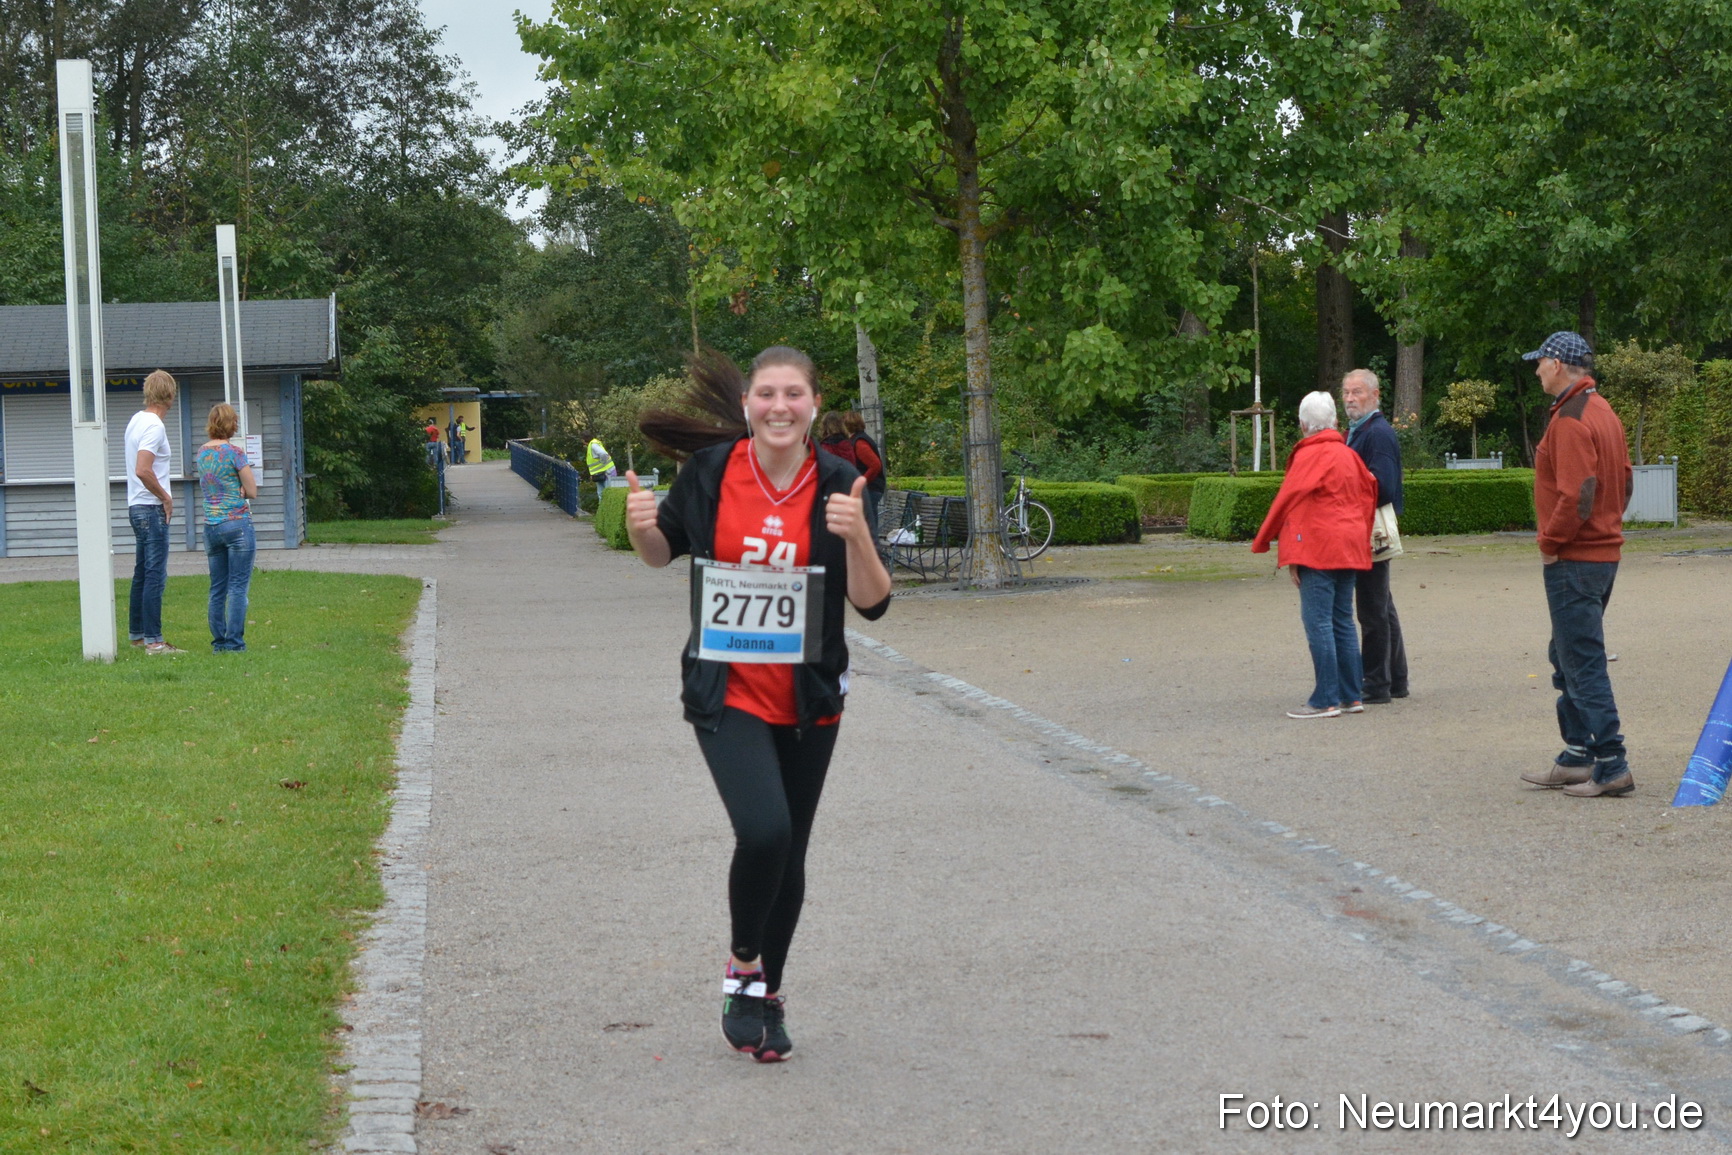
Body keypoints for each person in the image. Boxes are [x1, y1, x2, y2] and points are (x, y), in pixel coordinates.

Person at [624, 346, 891, 1063]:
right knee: (765, 830)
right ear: (746, 405)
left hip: (810, 697)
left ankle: (766, 994)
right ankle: (744, 966)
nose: (779, 405)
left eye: (793, 393)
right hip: (728, 689)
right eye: (766, 393)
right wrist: (641, 526)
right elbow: (661, 552)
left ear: (813, 404)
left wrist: (857, 536)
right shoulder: (710, 473)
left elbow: (874, 603)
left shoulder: (839, 482)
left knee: (791, 852)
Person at [1517, 331, 1635, 797]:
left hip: (1575, 558)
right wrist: (1607, 525)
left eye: (1540, 362)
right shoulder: (1602, 410)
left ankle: (1611, 764)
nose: (1536, 370)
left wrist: (1550, 542)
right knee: (1566, 655)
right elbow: (1624, 481)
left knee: (1581, 662)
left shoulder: (1570, 419)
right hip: (1600, 554)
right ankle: (1578, 755)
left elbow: (1578, 494)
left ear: (1557, 364)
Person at [1250, 391, 1378, 718]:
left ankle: (1325, 699)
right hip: (1348, 546)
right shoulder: (1349, 455)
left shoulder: (1309, 455)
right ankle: (1351, 695)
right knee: (1342, 620)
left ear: (1303, 424)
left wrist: (1265, 541)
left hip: (1318, 547)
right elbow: (1369, 494)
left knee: (1318, 621)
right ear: (1334, 421)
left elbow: (1288, 502)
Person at [1342, 369, 1409, 703]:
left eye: (1357, 392)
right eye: (1346, 393)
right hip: (1365, 527)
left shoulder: (1376, 433)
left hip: (1370, 530)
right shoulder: (1360, 430)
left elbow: (1384, 486)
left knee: (1372, 610)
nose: (1350, 399)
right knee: (1381, 605)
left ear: (1375, 394)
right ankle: (1395, 680)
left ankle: (1377, 683)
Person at [125, 370, 183, 655]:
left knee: (142, 573)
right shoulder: (155, 426)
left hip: (136, 505)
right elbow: (143, 469)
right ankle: (155, 641)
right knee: (155, 575)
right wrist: (165, 497)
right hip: (150, 508)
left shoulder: (136, 420)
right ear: (170, 395)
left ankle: (138, 634)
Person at [197, 403, 258, 652]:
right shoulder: (235, 453)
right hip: (237, 524)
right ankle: (234, 643)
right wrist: (241, 489)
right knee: (238, 587)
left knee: (217, 588)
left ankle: (219, 643)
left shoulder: (202, 453)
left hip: (211, 526)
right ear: (230, 424)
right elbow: (252, 491)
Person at [842, 410, 886, 543]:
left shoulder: (859, 443)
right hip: (871, 488)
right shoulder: (857, 439)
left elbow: (875, 465)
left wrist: (861, 483)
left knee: (868, 525)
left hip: (870, 489)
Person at [586, 434, 617, 506]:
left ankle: (608, 510)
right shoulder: (593, 444)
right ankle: (602, 510)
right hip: (600, 473)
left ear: (583, 440)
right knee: (601, 494)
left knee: (608, 493)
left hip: (607, 472)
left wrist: (603, 463)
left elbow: (603, 454)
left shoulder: (593, 445)